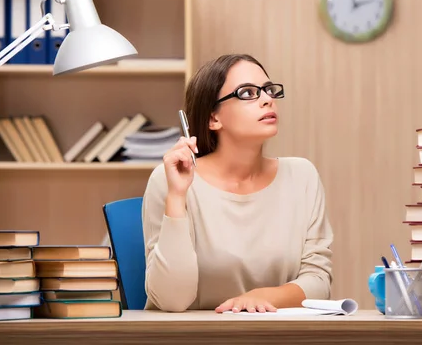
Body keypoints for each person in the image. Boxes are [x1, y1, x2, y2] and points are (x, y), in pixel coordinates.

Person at [141, 54, 334, 313]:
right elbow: (172, 300)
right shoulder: (170, 179)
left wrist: (263, 297)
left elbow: (319, 282)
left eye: (268, 90)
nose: (267, 99)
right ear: (213, 119)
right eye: (247, 93)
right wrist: (176, 197)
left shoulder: (302, 176)